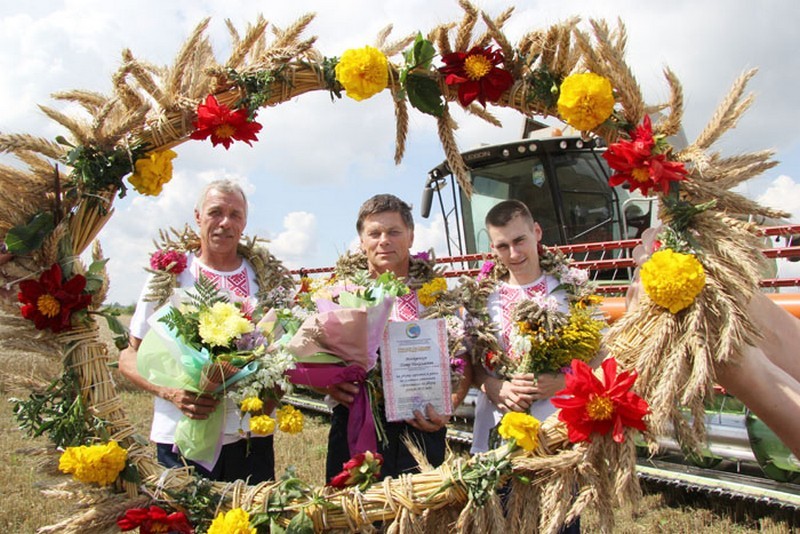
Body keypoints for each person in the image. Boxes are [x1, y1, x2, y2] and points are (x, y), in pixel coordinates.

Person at [119, 179, 281, 483]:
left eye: (235, 215)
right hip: (181, 434)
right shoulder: (171, 275)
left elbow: (282, 354)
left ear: (245, 222)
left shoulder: (264, 278)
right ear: (197, 217)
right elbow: (129, 356)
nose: (224, 222)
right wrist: (173, 393)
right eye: (215, 212)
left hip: (249, 436)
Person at [323, 193, 472, 482]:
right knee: (352, 520)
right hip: (354, 424)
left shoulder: (440, 294)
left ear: (411, 236)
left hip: (421, 426)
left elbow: (464, 358)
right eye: (374, 233)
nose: (384, 240)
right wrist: (327, 386)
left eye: (394, 232)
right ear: (362, 242)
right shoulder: (339, 293)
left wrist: (450, 404)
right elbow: (313, 359)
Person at [470, 200, 587, 533]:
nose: (513, 253)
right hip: (496, 435)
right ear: (492, 248)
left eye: (519, 241)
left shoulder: (570, 290)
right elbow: (471, 360)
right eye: (502, 246)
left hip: (555, 435)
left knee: (560, 526)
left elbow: (600, 354)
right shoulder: (482, 298)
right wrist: (492, 385)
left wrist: (562, 382)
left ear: (536, 233)